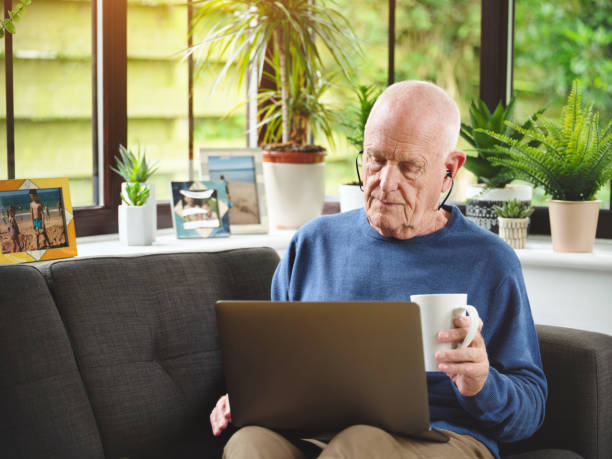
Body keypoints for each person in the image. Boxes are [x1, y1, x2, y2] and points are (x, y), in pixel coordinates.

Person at [210, 81, 547, 459]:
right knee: (249, 443)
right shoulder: (312, 243)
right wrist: (247, 396)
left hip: (441, 437)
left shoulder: (490, 262)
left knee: (359, 445)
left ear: (449, 170)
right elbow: (270, 364)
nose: (385, 183)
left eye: (409, 167)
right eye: (376, 159)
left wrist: (481, 384)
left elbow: (530, 410)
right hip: (313, 430)